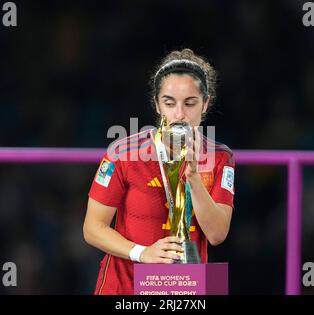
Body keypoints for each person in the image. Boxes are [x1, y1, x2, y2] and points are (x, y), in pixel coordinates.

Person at [83, 48, 235, 295]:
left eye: (190, 103)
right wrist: (142, 253)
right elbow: (92, 228)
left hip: (185, 289)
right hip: (125, 288)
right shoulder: (123, 154)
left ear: (205, 104)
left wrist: (194, 178)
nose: (179, 114)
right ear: (156, 104)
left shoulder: (220, 158)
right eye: (169, 102)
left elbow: (217, 234)